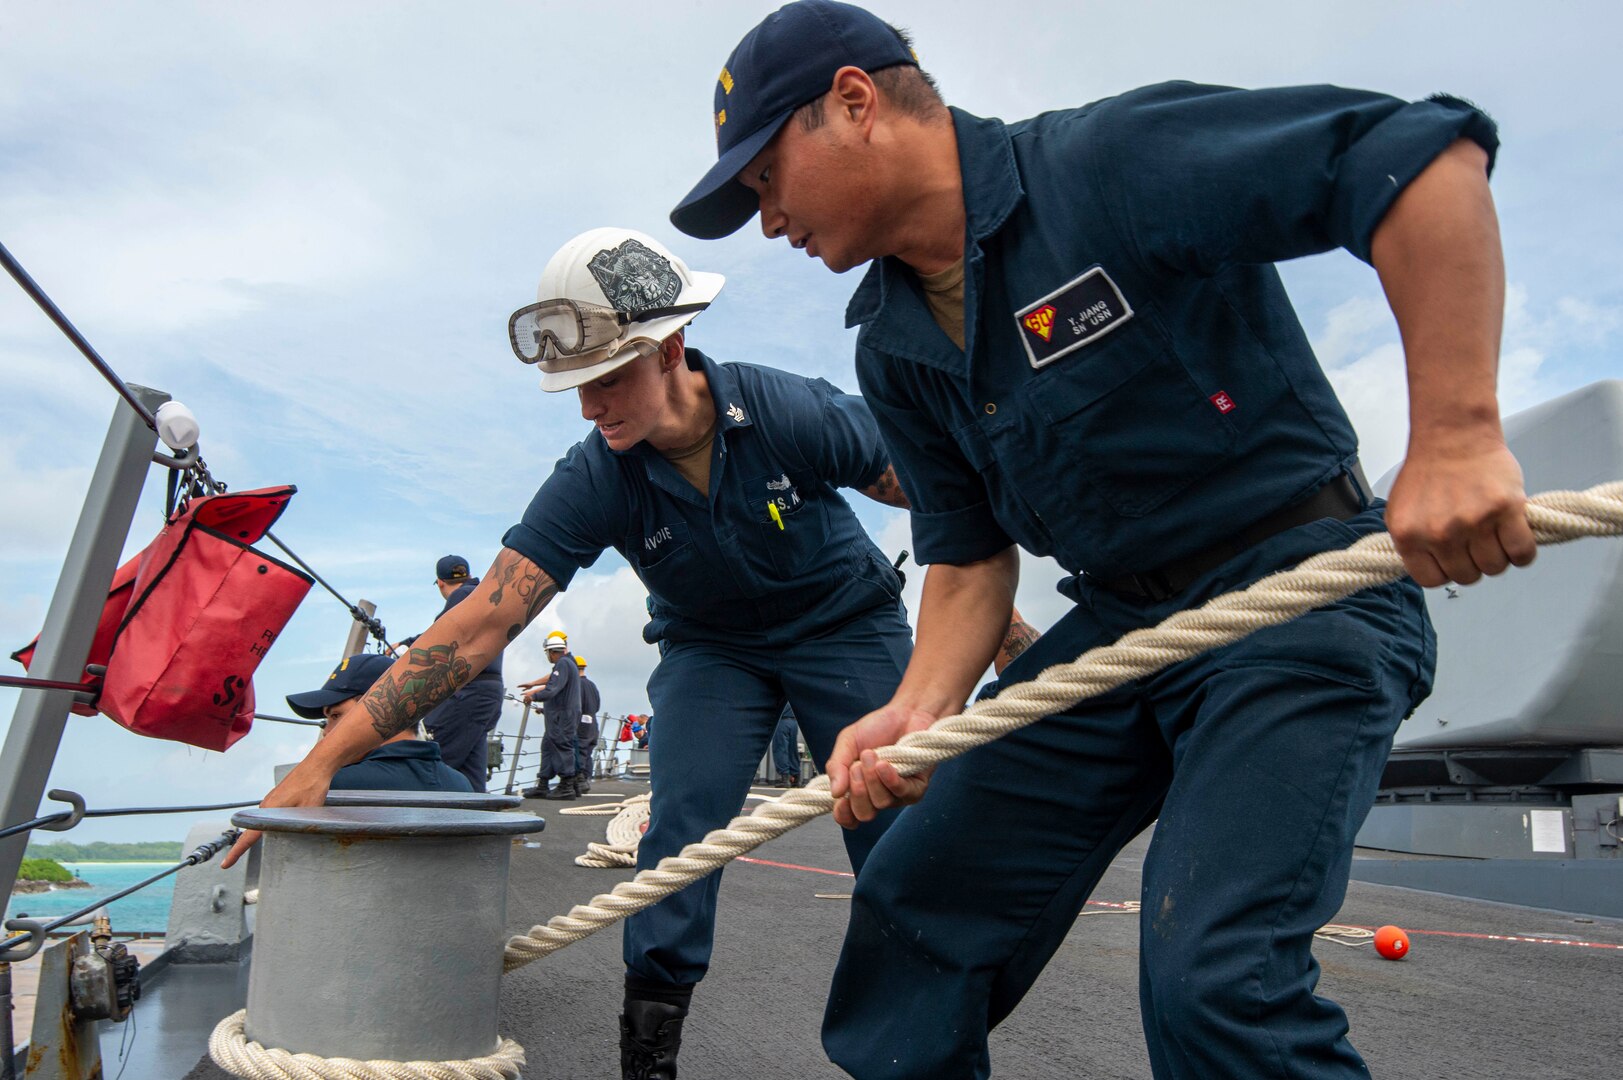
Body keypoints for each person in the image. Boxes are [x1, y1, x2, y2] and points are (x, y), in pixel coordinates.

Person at [672, 4, 1535, 1078]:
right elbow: (972, 551)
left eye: (765, 182)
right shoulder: (892, 348)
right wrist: (918, 711)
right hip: (1124, 624)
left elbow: (1414, 161)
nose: (768, 223)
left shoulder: (1107, 163)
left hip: (1302, 592)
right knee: (911, 905)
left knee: (1217, 980)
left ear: (854, 103)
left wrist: (1454, 434)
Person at [228, 226, 1042, 1080]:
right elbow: (475, 626)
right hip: (710, 650)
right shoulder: (594, 476)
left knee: (901, 829)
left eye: (609, 379)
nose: (590, 408)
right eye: (576, 387)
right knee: (680, 831)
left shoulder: (787, 410)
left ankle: (926, 1055)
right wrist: (327, 757)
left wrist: (1004, 630)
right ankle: (647, 1060)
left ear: (672, 348)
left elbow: (945, 493)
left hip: (847, 624)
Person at [286, 653, 474, 793]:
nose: (326, 731)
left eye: (336, 716)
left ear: (380, 709)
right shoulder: (461, 786)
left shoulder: (334, 785)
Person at [400, 555, 506, 792]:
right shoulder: (482, 596)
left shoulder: (461, 596)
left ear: (439, 582)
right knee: (470, 772)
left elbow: (442, 638)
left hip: (465, 692)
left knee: (431, 764)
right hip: (487, 693)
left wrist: (407, 648)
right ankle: (476, 824)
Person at [518, 630, 582, 800]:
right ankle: (543, 783)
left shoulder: (563, 664)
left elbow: (553, 688)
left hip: (563, 716)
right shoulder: (568, 664)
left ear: (552, 652)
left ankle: (566, 785)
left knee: (563, 746)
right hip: (558, 715)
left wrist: (533, 696)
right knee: (548, 746)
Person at [575, 654, 601, 793]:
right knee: (588, 752)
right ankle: (585, 779)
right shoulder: (592, 685)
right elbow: (597, 706)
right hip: (593, 725)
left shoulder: (576, 685)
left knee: (580, 751)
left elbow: (573, 706)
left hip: (581, 725)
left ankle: (580, 780)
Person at [770, 703, 800, 788]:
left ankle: (785, 779)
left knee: (780, 749)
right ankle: (796, 778)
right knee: (792, 749)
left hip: (782, 721)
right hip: (794, 721)